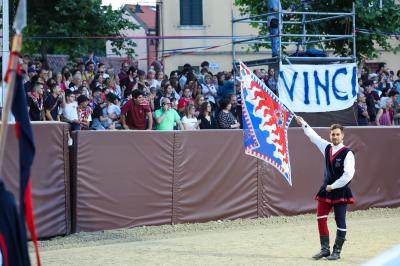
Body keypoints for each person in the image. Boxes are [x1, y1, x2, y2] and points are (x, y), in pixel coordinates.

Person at [295, 116, 355, 261]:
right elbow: (313, 137)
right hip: (326, 191)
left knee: (340, 221)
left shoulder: (348, 153)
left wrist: (333, 186)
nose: (335, 136)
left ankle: (337, 251)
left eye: (337, 134)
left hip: (339, 192)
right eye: (332, 134)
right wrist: (303, 123)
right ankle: (325, 249)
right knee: (321, 218)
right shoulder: (327, 147)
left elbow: (348, 175)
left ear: (342, 135)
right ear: (330, 135)